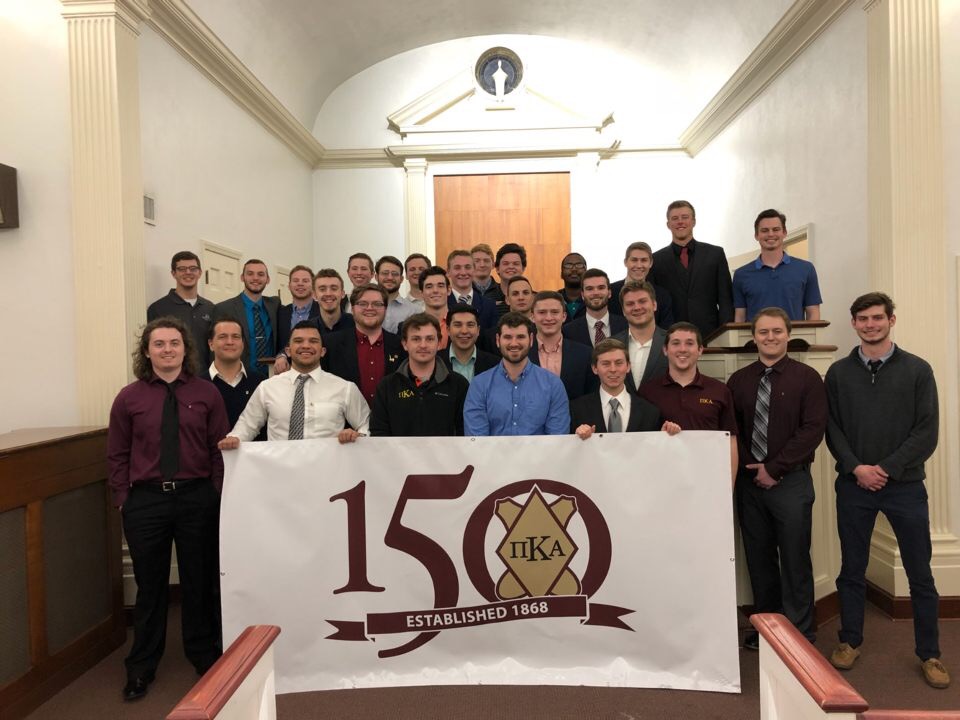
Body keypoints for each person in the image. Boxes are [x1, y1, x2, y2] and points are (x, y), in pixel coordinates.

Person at [825, 292, 949, 689]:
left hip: (905, 488)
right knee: (852, 570)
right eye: (863, 319)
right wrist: (857, 468)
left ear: (892, 320)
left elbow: (926, 431)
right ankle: (850, 641)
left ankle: (930, 653)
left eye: (877, 318)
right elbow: (833, 429)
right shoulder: (839, 373)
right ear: (854, 324)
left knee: (920, 574)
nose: (870, 324)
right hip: (854, 485)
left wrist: (886, 470)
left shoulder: (917, 370)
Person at [107, 317, 228, 701]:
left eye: (174, 343)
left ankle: (204, 656)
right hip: (146, 502)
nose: (167, 350)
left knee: (199, 582)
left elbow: (218, 449)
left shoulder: (207, 393)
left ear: (185, 349)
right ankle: (141, 665)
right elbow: (117, 454)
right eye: (158, 344)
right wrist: (123, 499)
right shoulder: (129, 398)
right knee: (151, 587)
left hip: (197, 499)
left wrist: (216, 494)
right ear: (147, 351)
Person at [727, 307, 827, 649]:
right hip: (749, 485)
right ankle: (768, 630)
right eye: (763, 332)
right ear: (753, 337)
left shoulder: (807, 378)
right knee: (759, 559)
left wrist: (775, 468)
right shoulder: (739, 380)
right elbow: (734, 431)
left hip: (791, 483)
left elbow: (813, 430)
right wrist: (751, 470)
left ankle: (800, 635)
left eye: (777, 332)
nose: (770, 338)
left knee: (796, 558)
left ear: (788, 335)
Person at [220, 322, 368, 444]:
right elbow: (247, 425)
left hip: (326, 472)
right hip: (280, 472)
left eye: (313, 341)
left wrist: (356, 438)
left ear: (322, 351)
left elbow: (366, 427)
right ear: (288, 351)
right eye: (298, 341)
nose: (306, 346)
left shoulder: (345, 388)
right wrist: (234, 439)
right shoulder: (267, 387)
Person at [639, 322, 738, 482]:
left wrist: (728, 488)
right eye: (676, 343)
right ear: (665, 350)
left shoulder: (720, 391)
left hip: (708, 481)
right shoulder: (647, 392)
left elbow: (731, 441)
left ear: (700, 350)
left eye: (690, 343)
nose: (683, 349)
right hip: (661, 481)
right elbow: (639, 443)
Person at [464, 312, 570, 436]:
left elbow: (557, 439)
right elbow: (476, 441)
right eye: (508, 337)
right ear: (498, 340)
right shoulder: (479, 385)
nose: (514, 343)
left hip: (540, 455)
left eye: (520, 337)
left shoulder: (553, 384)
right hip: (492, 456)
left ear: (531, 340)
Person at [370, 313, 469, 436]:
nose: (423, 345)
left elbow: (464, 432)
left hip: (445, 455)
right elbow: (379, 434)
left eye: (429, 339)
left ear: (439, 343)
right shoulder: (387, 386)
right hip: (397, 456)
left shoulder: (458, 384)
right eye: (416, 339)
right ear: (405, 344)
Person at [649, 200, 734, 339]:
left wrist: (724, 334)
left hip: (710, 334)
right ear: (668, 224)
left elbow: (725, 299)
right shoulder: (656, 260)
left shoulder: (715, 254)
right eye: (675, 218)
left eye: (685, 217)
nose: (680, 222)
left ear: (694, 221)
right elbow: (655, 303)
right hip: (670, 336)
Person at [322, 284, 406, 406]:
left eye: (377, 304)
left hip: (390, 422)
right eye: (362, 304)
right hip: (344, 423)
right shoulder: (330, 344)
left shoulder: (401, 346)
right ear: (352, 309)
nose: (370, 308)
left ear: (385, 309)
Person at [733, 209, 823, 322]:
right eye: (765, 230)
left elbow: (813, 313)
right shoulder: (741, 275)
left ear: (784, 233)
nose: (771, 234)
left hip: (795, 339)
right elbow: (740, 317)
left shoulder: (806, 269)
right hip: (755, 339)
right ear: (756, 235)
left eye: (776, 229)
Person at [571, 339, 668, 437]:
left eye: (619, 363)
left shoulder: (650, 412)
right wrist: (577, 438)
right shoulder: (577, 410)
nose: (613, 369)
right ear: (595, 368)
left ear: (628, 366)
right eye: (606, 364)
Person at [147, 251, 215, 367]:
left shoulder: (210, 308)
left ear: (200, 273)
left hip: (205, 377)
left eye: (193, 268)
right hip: (171, 376)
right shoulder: (158, 308)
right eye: (182, 269)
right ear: (173, 273)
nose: (188, 272)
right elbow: (151, 346)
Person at [213, 259, 279, 377]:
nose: (255, 278)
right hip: (239, 376)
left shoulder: (275, 305)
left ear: (267, 279)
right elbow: (215, 347)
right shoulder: (223, 308)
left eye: (260, 274)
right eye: (250, 274)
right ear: (242, 277)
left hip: (271, 376)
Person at [528, 290, 596, 400]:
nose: (548, 318)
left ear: (564, 316)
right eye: (542, 312)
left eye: (554, 312)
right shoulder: (522, 354)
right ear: (532, 317)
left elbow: (590, 397)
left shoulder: (585, 354)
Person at [206, 318, 266, 439]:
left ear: (243, 343)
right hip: (211, 457)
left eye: (236, 337)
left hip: (254, 456)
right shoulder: (197, 385)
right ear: (211, 344)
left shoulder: (261, 383)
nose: (230, 342)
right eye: (222, 337)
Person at [612, 280, 668, 392]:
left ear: (654, 305)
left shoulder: (673, 341)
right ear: (623, 310)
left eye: (642, 301)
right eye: (630, 304)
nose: (637, 307)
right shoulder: (611, 345)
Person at [609, 241, 675, 327]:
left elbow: (666, 330)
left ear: (650, 263)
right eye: (634, 260)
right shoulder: (610, 292)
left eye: (644, 260)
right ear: (625, 262)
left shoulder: (662, 295)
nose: (639, 265)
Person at [562, 268, 626, 346]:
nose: (596, 293)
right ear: (582, 295)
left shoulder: (626, 325)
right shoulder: (568, 331)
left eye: (601, 288)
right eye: (590, 289)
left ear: (609, 293)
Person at [275, 265, 320, 373]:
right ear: (289, 286)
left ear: (313, 286)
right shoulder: (280, 312)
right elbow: (279, 342)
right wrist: (281, 355)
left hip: (316, 370)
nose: (300, 284)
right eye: (295, 280)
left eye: (305, 281)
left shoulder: (322, 311)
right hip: (285, 372)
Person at [441, 304, 500, 382]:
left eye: (470, 325)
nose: (464, 331)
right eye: (458, 325)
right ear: (448, 330)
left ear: (478, 330)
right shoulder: (436, 361)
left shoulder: (495, 364)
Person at [446, 249, 498, 329]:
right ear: (448, 272)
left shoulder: (489, 305)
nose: (463, 273)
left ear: (474, 270)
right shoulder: (442, 303)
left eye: (468, 267)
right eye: (457, 268)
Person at [377, 255, 418, 333]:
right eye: (385, 273)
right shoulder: (365, 308)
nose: (390, 278)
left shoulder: (414, 311)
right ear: (376, 277)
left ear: (401, 279)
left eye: (395, 274)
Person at [485, 242, 527, 315]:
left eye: (516, 264)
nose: (511, 267)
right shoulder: (486, 299)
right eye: (506, 263)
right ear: (497, 268)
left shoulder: (534, 299)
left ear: (523, 268)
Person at [417, 265, 452, 348]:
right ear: (421, 293)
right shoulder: (410, 326)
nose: (435, 291)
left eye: (440, 286)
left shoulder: (461, 324)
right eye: (429, 287)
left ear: (449, 290)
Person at [313, 268, 355, 336]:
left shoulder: (357, 325)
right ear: (314, 295)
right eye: (322, 289)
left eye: (334, 288)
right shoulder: (308, 329)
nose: (328, 293)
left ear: (342, 294)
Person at [558, 252, 587, 318]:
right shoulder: (554, 299)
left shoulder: (593, 298)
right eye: (568, 265)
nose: (574, 269)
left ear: (586, 271)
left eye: (579, 265)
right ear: (561, 273)